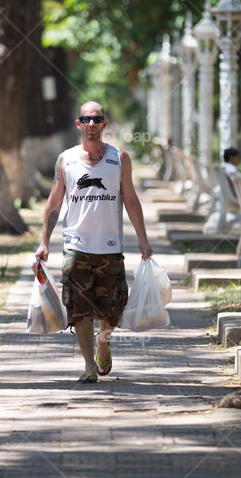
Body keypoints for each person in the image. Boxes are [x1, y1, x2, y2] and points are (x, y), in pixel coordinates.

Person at [34, 101, 152, 383]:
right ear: (78, 124)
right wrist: (44, 242)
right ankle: (89, 366)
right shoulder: (66, 160)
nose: (91, 123)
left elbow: (131, 200)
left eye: (96, 118)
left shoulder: (119, 158)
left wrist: (143, 240)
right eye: (86, 119)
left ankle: (103, 342)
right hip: (76, 247)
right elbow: (54, 203)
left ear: (104, 123)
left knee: (112, 311)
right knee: (78, 309)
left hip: (110, 248)